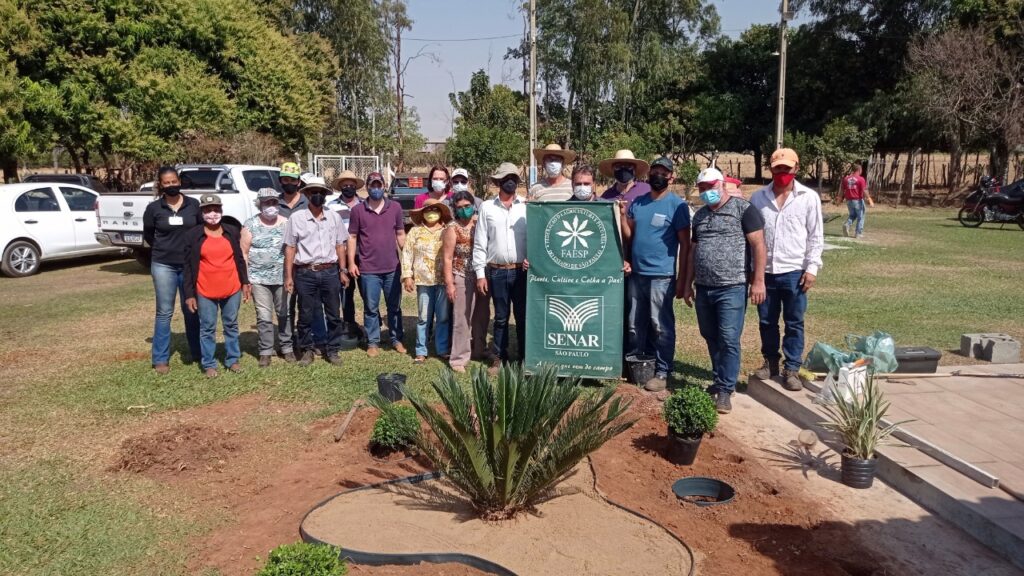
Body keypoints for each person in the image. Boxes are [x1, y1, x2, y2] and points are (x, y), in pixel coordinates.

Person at [682, 169, 767, 414]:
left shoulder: (744, 210)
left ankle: (725, 390)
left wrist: (758, 281)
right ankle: (719, 379)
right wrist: (688, 283)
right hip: (705, 287)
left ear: (721, 184)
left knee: (729, 338)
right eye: (702, 187)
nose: (706, 191)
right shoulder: (699, 216)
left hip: (732, 286)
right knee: (710, 334)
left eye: (710, 186)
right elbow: (692, 252)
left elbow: (759, 245)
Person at [750, 148, 824, 392]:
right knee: (766, 321)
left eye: (787, 168)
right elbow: (752, 236)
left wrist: (811, 268)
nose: (782, 173)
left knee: (794, 322)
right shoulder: (758, 198)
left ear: (796, 169)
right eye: (778, 168)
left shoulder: (809, 197)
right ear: (771, 169)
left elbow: (815, 236)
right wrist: (754, 273)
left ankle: (791, 368)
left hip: (795, 271)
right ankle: (770, 362)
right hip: (766, 271)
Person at [624, 156, 691, 392]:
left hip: (661, 276)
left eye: (664, 172)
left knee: (660, 325)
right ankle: (635, 365)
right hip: (637, 274)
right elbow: (629, 235)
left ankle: (662, 371)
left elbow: (686, 244)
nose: (658, 176)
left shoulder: (677, 205)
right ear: (649, 174)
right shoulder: (638, 203)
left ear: (671, 177)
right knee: (634, 323)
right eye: (655, 171)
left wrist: (683, 280)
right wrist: (622, 215)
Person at [283, 181, 351, 366]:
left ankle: (333, 350)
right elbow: (290, 247)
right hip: (305, 272)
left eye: (321, 192)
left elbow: (340, 245)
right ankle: (307, 349)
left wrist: (343, 271)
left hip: (329, 271)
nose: (317, 195)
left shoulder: (334, 217)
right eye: (313, 192)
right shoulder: (296, 218)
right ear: (306, 195)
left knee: (333, 314)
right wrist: (289, 276)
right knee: (305, 314)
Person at [183, 194, 251, 378]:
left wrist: (245, 282)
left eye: (216, 209)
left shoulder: (231, 231)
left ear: (221, 210)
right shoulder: (193, 235)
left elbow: (239, 259)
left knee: (231, 324)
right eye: (207, 210)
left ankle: (233, 360)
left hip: (232, 287)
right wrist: (189, 294)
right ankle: (209, 363)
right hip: (205, 290)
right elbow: (188, 267)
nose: (212, 213)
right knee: (207, 328)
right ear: (201, 212)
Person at [143, 166, 202, 374]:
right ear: (161, 185)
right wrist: (166, 249)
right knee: (164, 312)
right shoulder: (153, 209)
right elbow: (149, 235)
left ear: (179, 182)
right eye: (166, 183)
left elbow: (200, 231)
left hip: (189, 266)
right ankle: (160, 359)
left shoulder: (193, 205)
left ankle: (198, 352)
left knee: (192, 310)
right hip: (163, 264)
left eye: (173, 181)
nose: (171, 185)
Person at [473, 162, 528, 374]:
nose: (510, 181)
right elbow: (480, 243)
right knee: (501, 317)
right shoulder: (487, 207)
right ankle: (499, 356)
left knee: (523, 316)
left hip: (521, 271)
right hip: (496, 270)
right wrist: (480, 274)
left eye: (513, 177)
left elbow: (534, 239)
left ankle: (524, 357)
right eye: (506, 178)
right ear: (498, 182)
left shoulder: (525, 207)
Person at [348, 172, 407, 358]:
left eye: (379, 185)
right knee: (371, 307)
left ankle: (396, 338)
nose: (376, 189)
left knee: (394, 306)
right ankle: (373, 341)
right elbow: (352, 237)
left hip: (392, 267)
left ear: (384, 186)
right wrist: (351, 262)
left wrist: (407, 259)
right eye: (372, 185)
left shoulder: (395, 207)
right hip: (368, 269)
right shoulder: (357, 210)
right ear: (367, 187)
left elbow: (400, 234)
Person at [241, 188, 293, 367]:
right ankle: (265, 350)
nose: (271, 206)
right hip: (258, 279)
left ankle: (287, 348)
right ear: (260, 204)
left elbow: (291, 250)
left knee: (284, 313)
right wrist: (246, 280)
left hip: (282, 277)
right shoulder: (250, 225)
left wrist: (290, 275)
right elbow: (244, 253)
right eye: (266, 203)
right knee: (264, 315)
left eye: (274, 202)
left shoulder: (286, 223)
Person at [442, 190, 490, 373]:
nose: (464, 210)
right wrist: (450, 283)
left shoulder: (480, 223)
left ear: (474, 205)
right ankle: (458, 358)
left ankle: (479, 349)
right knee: (462, 317)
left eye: (467, 206)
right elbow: (447, 258)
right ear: (454, 209)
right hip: (461, 275)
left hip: (482, 275)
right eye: (459, 207)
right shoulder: (452, 228)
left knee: (482, 314)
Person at [402, 199, 452, 364]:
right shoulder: (415, 232)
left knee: (443, 316)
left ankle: (443, 348)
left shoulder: (446, 231)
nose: (432, 213)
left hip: (442, 280)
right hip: (423, 281)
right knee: (424, 317)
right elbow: (407, 254)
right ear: (422, 213)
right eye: (428, 209)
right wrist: (407, 276)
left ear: (440, 213)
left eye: (435, 210)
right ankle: (421, 350)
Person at [329, 170, 366, 340]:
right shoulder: (331, 206)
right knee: (346, 291)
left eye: (351, 185)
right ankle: (348, 323)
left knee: (367, 291)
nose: (348, 187)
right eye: (345, 185)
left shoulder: (365, 204)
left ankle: (371, 326)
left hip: (364, 254)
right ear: (340, 187)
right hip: (342, 254)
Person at [842, 163, 870, 239]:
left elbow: (842, 190)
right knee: (861, 216)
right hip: (857, 200)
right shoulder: (861, 179)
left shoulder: (846, 179)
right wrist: (869, 199)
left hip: (848, 200)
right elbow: (864, 190)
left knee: (852, 215)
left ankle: (847, 224)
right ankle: (858, 233)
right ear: (859, 170)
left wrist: (839, 199)